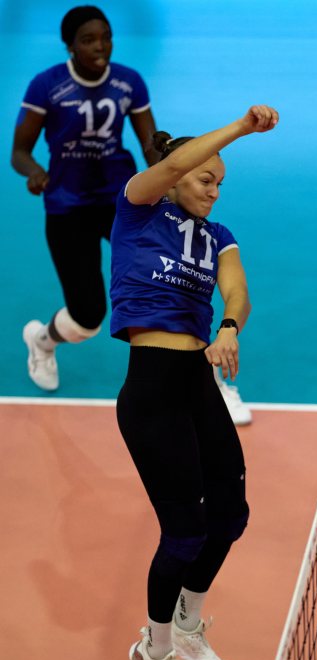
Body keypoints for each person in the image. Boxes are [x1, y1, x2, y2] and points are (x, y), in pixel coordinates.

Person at [112, 105, 278, 660]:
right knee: (184, 533)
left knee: (230, 517)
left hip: (197, 384)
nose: (214, 192)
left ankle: (187, 624)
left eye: (221, 184)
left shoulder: (218, 237)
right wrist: (241, 128)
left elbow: (238, 293)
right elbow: (172, 163)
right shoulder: (137, 209)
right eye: (206, 179)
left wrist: (229, 327)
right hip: (152, 389)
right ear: (178, 174)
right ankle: (154, 650)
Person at [12, 5, 158, 392]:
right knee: (87, 318)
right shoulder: (46, 85)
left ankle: (206, 377)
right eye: (89, 40)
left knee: (167, 279)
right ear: (70, 46)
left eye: (106, 37)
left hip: (120, 200)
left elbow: (151, 147)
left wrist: (173, 172)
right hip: (67, 206)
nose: (101, 46)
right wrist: (35, 172)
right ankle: (42, 341)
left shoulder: (129, 82)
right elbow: (19, 152)